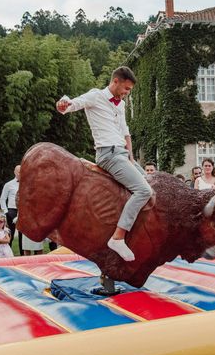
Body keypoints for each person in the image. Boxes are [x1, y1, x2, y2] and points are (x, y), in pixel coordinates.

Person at [57, 66, 151, 262]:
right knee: (144, 191)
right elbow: (73, 104)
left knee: (152, 182)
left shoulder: (121, 105)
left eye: (129, 90)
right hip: (107, 154)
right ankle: (118, 237)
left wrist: (132, 159)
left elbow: (126, 132)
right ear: (115, 81)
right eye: (126, 89)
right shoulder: (95, 96)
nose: (127, 93)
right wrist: (64, 102)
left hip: (123, 154)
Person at [0, 165, 21, 243]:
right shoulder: (8, 184)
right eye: (18, 172)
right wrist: (6, 212)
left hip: (23, 211)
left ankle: (22, 254)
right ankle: (8, 252)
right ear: (14, 172)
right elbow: (2, 199)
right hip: (12, 211)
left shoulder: (27, 184)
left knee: (22, 234)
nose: (20, 173)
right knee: (10, 233)